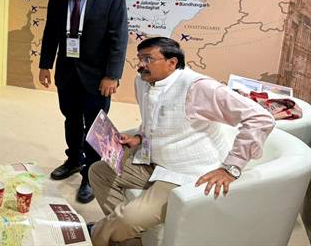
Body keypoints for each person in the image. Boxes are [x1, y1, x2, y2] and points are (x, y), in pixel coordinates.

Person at [88, 37, 275, 246]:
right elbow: (153, 118)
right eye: (139, 58)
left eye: (148, 59)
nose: (140, 65)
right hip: (154, 161)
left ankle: (97, 233)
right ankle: (125, 239)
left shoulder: (198, 87)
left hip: (186, 173)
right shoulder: (142, 81)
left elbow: (260, 118)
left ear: (172, 63)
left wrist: (231, 168)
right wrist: (139, 137)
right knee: (98, 171)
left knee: (128, 219)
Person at [39, 0, 128, 203]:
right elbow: (50, 33)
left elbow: (118, 39)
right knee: (71, 119)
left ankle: (92, 174)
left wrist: (112, 75)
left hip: (98, 76)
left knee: (95, 124)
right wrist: (45, 65)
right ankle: (74, 160)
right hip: (67, 72)